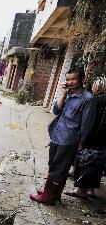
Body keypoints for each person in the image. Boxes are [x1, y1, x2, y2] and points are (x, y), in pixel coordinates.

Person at [30, 67, 96, 205]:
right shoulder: (67, 94)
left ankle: (48, 197)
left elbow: (87, 123)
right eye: (68, 79)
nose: (70, 82)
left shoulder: (88, 99)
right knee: (53, 164)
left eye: (74, 79)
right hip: (56, 134)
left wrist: (81, 142)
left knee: (59, 167)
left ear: (82, 80)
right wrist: (62, 94)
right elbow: (55, 110)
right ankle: (54, 193)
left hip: (69, 138)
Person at [65, 77, 106, 199]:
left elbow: (88, 119)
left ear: (98, 87)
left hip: (92, 136)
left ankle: (81, 190)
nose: (93, 87)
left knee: (85, 161)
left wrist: (82, 136)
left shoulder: (95, 100)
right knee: (97, 163)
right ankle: (90, 190)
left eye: (94, 85)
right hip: (103, 141)